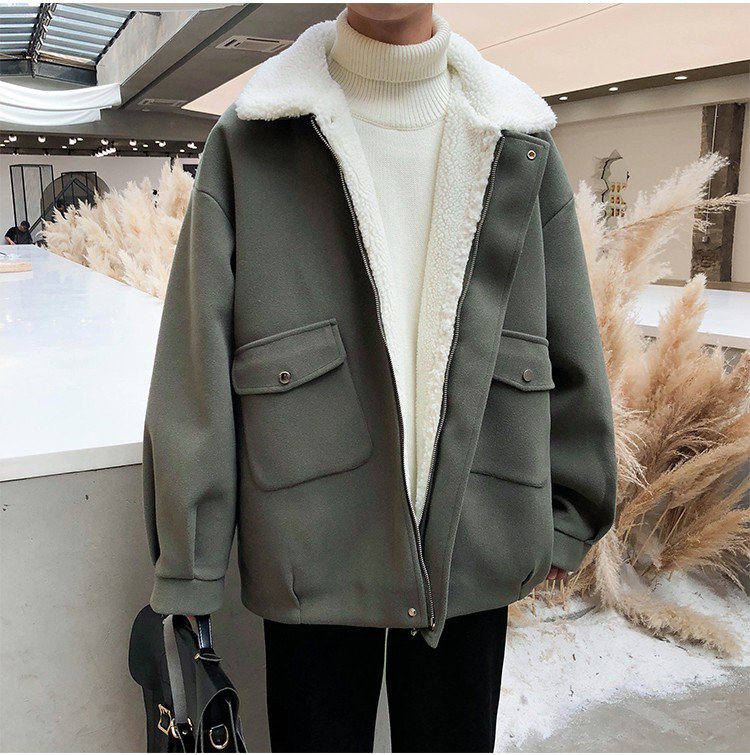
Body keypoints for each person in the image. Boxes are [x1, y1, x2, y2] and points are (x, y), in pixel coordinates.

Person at [143, 4, 617, 752]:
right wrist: (189, 561)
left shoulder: (515, 135)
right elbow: (194, 360)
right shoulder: (254, 135)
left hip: (474, 533)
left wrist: (571, 506)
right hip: (312, 540)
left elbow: (569, 334)